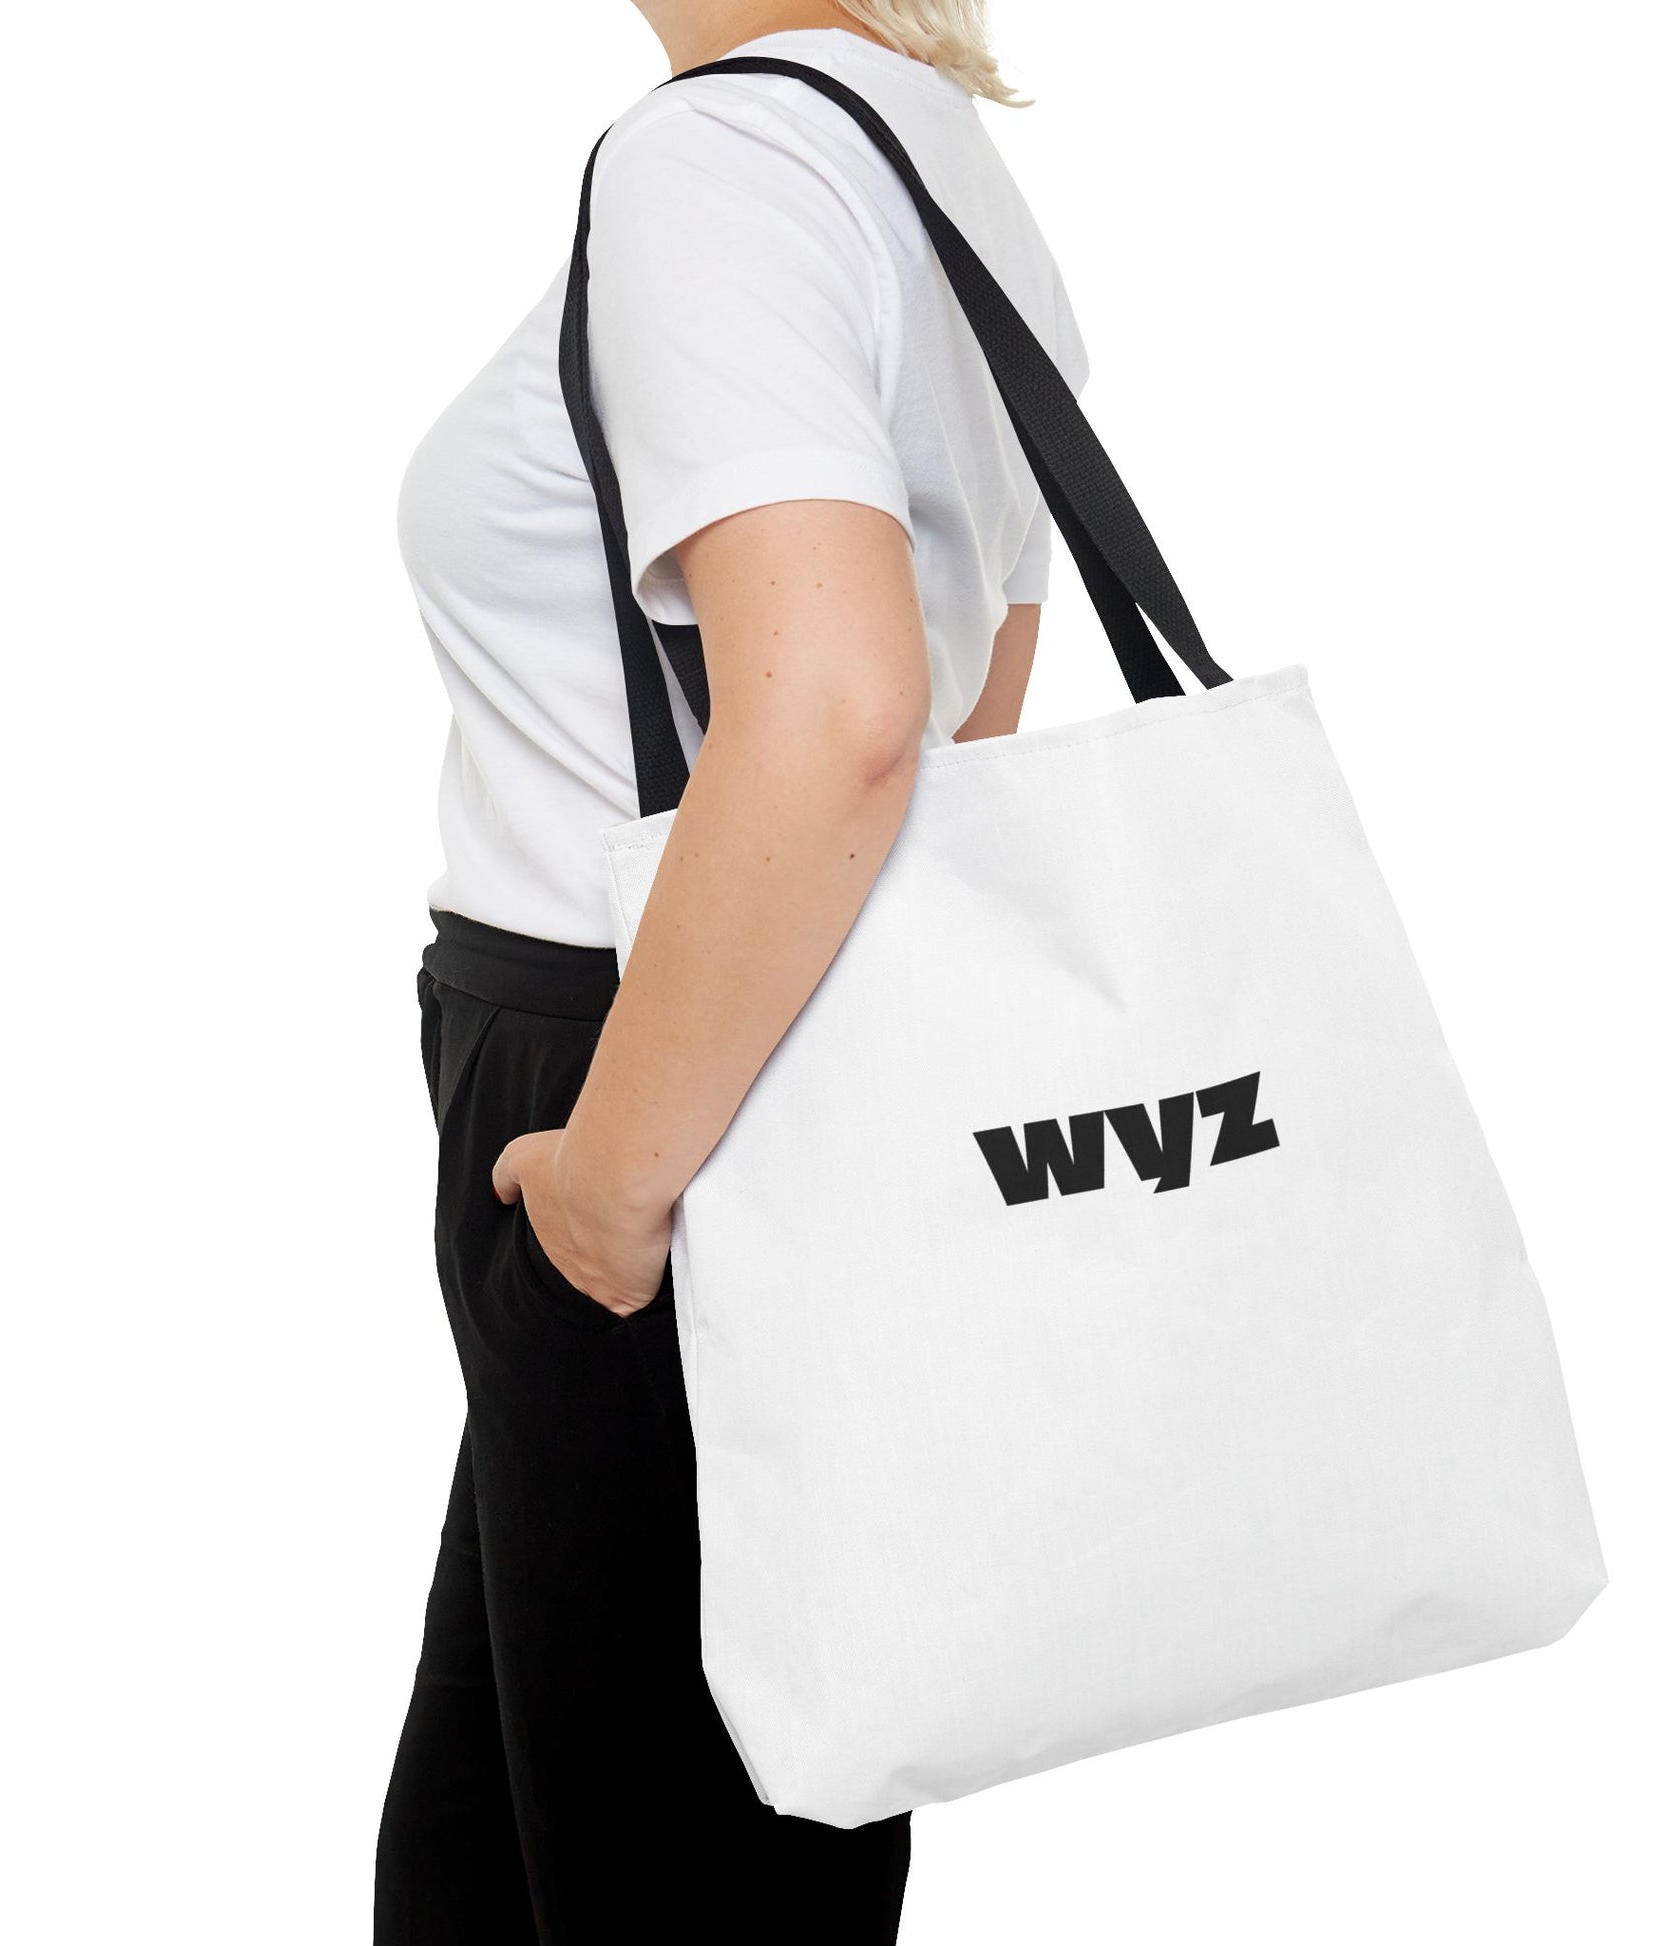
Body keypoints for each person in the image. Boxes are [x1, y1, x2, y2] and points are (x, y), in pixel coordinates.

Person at [375, 3, 1086, 1938]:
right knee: (533, 1851)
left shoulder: (721, 161)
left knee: (654, 1872)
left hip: (641, 1093)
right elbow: (974, 704)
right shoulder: (924, 149)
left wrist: (611, 1188)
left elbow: (848, 711)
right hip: (766, 1058)